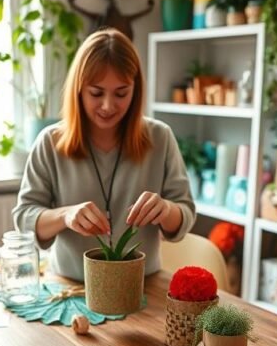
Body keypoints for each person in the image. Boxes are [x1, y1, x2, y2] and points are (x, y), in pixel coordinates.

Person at [13, 28, 195, 282]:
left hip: (143, 286)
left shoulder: (160, 137)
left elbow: (185, 214)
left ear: (136, 89)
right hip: (71, 287)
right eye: (96, 93)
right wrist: (65, 216)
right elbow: (24, 218)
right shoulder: (50, 142)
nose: (108, 106)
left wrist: (165, 209)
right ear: (78, 89)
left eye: (121, 93)